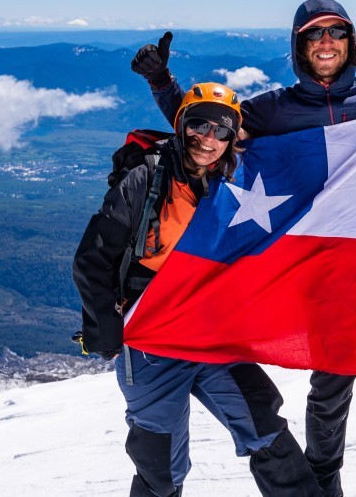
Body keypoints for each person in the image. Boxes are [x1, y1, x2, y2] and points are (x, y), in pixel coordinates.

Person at [131, 0, 356, 497]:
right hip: (289, 263)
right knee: (277, 385)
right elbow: (207, 130)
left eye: (336, 32)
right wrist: (162, 83)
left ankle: (323, 484)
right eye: (314, 34)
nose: (326, 42)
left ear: (351, 41)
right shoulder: (272, 109)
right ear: (299, 45)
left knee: (334, 382)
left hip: (354, 266)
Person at [72, 82, 321, 497]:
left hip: (209, 332)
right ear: (182, 125)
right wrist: (106, 330)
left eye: (221, 131)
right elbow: (92, 258)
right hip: (151, 341)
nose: (209, 139)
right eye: (200, 126)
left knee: (263, 421)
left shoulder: (235, 183)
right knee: (160, 465)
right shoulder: (145, 178)